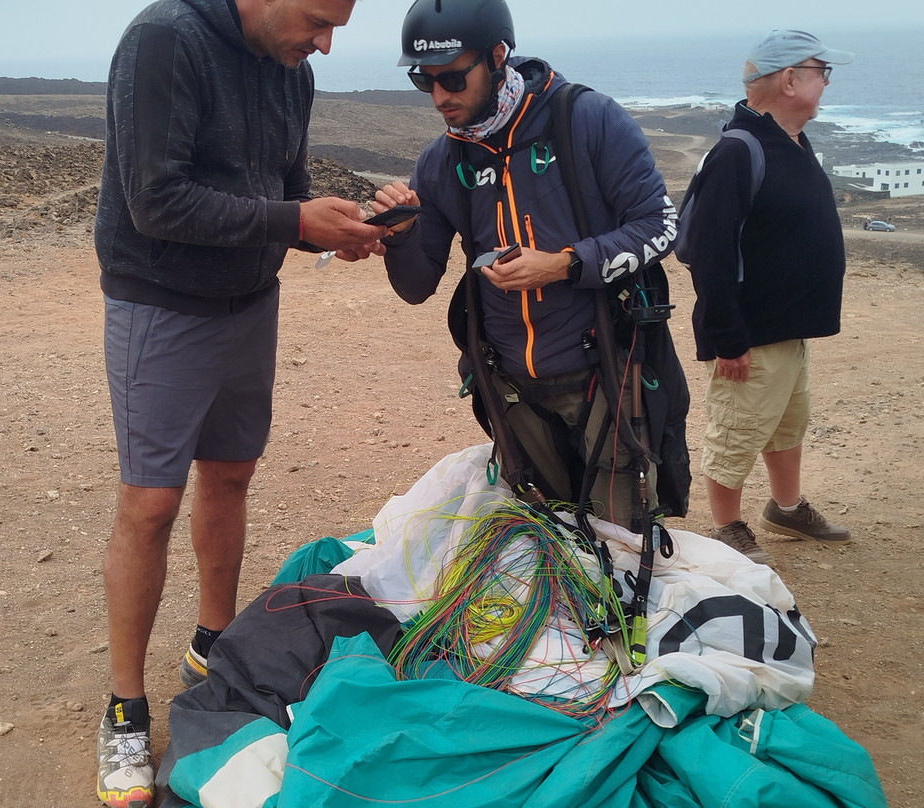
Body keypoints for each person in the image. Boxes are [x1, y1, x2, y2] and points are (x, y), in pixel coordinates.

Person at [92, 0, 386, 805]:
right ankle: (124, 709)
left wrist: (335, 230)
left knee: (229, 477)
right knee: (149, 505)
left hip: (249, 302)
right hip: (160, 305)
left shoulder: (292, 71)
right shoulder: (165, 41)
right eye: (318, 19)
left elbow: (284, 196)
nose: (323, 44)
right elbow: (156, 200)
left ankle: (212, 647)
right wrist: (294, 218)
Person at [361, 0, 682, 531]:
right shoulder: (442, 161)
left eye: (454, 79)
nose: (440, 97)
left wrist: (563, 265)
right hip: (510, 387)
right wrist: (401, 234)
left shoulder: (587, 119)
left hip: (605, 368)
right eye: (425, 81)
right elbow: (417, 286)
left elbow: (661, 225)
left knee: (620, 543)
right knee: (550, 543)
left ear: (498, 55)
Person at [683, 30, 854, 564]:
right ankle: (728, 527)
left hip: (787, 326)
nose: (826, 82)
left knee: (787, 420)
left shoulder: (793, 142)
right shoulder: (739, 151)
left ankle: (785, 508)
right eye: (821, 71)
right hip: (751, 333)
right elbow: (708, 252)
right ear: (789, 80)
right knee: (737, 429)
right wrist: (729, 338)